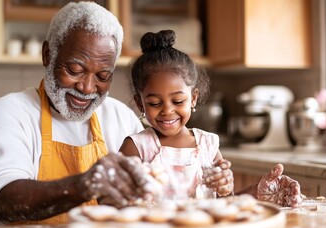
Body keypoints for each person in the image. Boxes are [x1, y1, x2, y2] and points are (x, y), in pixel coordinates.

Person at [0, 2, 156, 225]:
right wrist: (85, 185)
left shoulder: (121, 117)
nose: (87, 87)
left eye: (103, 76)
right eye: (75, 70)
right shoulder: (11, 112)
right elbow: (4, 202)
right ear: (47, 55)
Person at [119, 30, 303, 207]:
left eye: (177, 101)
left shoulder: (207, 145)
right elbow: (112, 203)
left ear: (193, 99)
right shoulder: (137, 147)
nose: (167, 111)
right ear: (140, 104)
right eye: (154, 103)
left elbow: (224, 204)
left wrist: (250, 192)